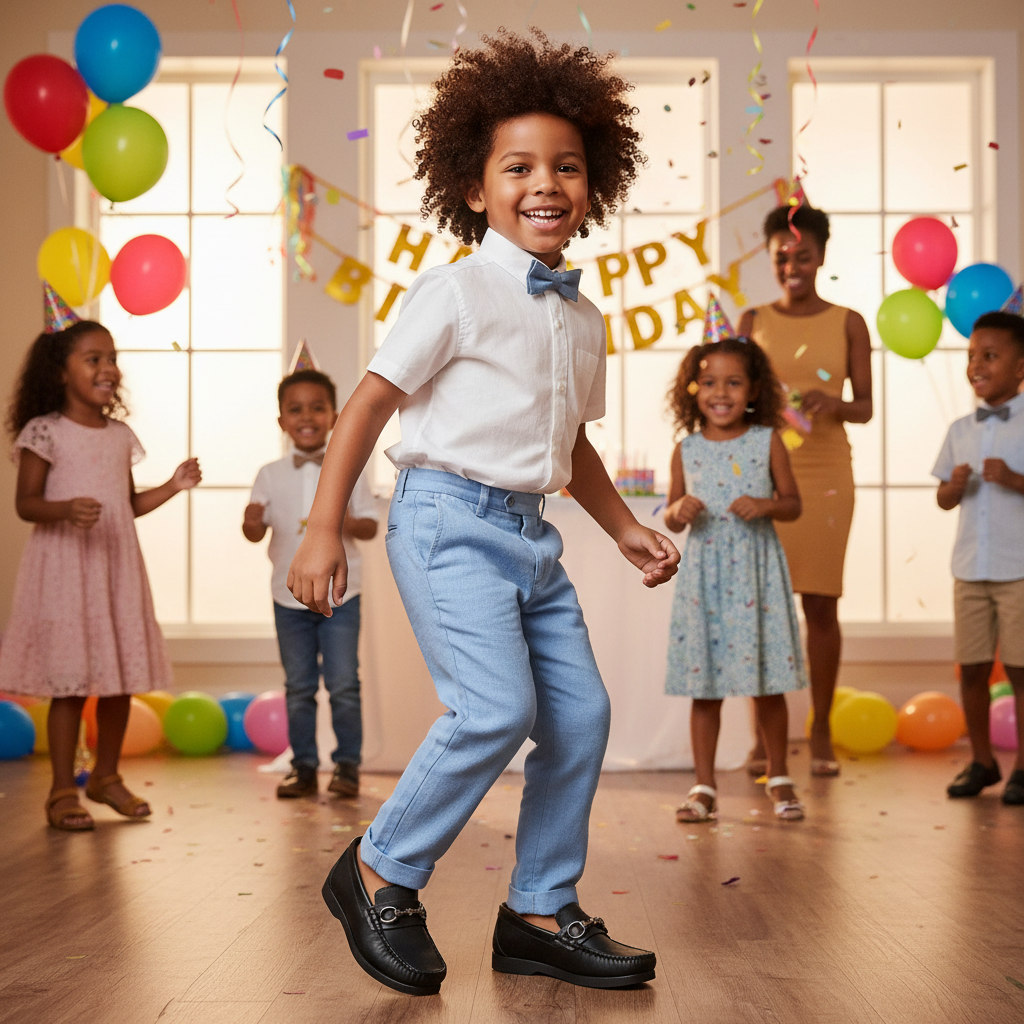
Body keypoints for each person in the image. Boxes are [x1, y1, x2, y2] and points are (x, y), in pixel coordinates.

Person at [287, 30, 678, 996]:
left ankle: (540, 910)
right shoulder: (454, 292)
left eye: (567, 167)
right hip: (443, 519)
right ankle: (379, 868)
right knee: (494, 707)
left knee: (581, 714)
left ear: (595, 185)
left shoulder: (582, 318)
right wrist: (323, 524)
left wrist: (623, 526)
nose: (545, 183)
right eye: (519, 166)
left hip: (530, 537)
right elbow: (369, 405)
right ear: (474, 185)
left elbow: (568, 443)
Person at [0, 317, 200, 831]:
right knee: (71, 683)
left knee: (118, 680)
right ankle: (62, 789)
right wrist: (65, 509)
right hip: (67, 569)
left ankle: (107, 777)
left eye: (111, 358)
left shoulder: (118, 436)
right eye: (94, 359)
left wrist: (173, 485)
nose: (108, 368)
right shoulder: (45, 431)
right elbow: (26, 504)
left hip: (115, 567)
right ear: (61, 372)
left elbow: (127, 504)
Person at [737, 203, 873, 778]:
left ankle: (819, 729)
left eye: (804, 256)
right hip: (764, 476)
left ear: (821, 256)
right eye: (781, 257)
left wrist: (833, 403)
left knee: (821, 605)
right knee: (761, 610)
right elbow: (732, 402)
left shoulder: (849, 321)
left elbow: (864, 408)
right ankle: (765, 739)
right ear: (771, 258)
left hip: (826, 478)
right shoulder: (749, 321)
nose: (792, 266)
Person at [663, 331, 807, 823]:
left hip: (756, 574)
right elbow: (670, 514)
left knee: (768, 681)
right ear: (692, 389)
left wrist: (766, 504)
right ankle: (703, 785)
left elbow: (793, 504)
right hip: (705, 578)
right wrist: (679, 509)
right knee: (705, 686)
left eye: (733, 383)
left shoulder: (768, 442)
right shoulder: (687, 450)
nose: (720, 393)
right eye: (709, 382)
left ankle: (780, 775)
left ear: (753, 391)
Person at [243, 368, 378, 799]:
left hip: (342, 593)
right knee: (298, 686)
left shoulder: (350, 466)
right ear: (281, 420)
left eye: (317, 408)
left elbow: (372, 526)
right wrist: (250, 522)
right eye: (295, 409)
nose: (307, 417)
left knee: (343, 684)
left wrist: (344, 521)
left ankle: (347, 767)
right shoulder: (269, 474)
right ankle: (302, 766)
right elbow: (254, 531)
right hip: (288, 596)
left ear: (334, 416)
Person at [933, 311, 1024, 805]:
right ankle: (982, 761)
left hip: (1019, 569)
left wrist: (1014, 479)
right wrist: (953, 486)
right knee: (970, 667)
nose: (976, 365)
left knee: (1020, 668)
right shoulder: (960, 429)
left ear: (1020, 366)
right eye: (971, 356)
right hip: (969, 567)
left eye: (989, 356)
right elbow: (944, 499)